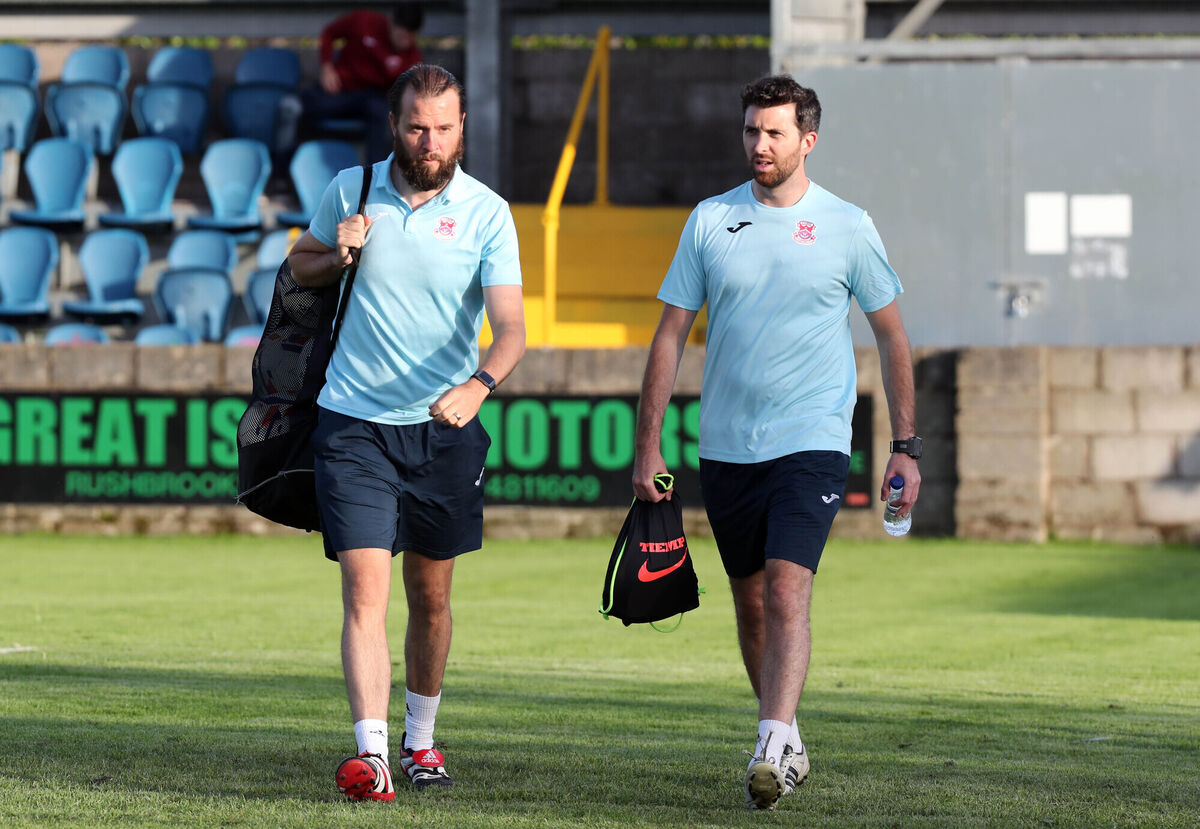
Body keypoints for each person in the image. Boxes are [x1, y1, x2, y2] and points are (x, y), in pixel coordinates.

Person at [631, 75, 921, 811]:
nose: (759, 144)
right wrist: (648, 446)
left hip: (813, 440)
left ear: (807, 140)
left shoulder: (848, 225)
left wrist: (905, 445)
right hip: (727, 447)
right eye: (751, 131)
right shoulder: (710, 220)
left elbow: (891, 336)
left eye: (774, 133)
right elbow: (669, 337)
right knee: (753, 603)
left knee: (789, 587)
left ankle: (768, 743)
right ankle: (786, 732)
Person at [287, 63, 526, 800]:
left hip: (442, 431)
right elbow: (298, 268)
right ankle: (372, 757)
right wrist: (337, 252)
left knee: (430, 596)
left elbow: (513, 329)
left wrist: (478, 386)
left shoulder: (487, 212)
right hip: (353, 423)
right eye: (417, 126)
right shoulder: (350, 189)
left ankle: (420, 742)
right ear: (394, 125)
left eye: (443, 127)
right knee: (365, 592)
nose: (430, 141)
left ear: (462, 128)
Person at [303, 3, 425, 163]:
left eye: (410, 37)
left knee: (386, 117)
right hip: (340, 90)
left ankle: (375, 171)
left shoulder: (413, 60)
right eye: (402, 36)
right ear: (392, 24)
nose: (405, 42)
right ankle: (291, 166)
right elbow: (329, 33)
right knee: (297, 107)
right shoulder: (363, 21)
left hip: (374, 99)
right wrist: (326, 67)